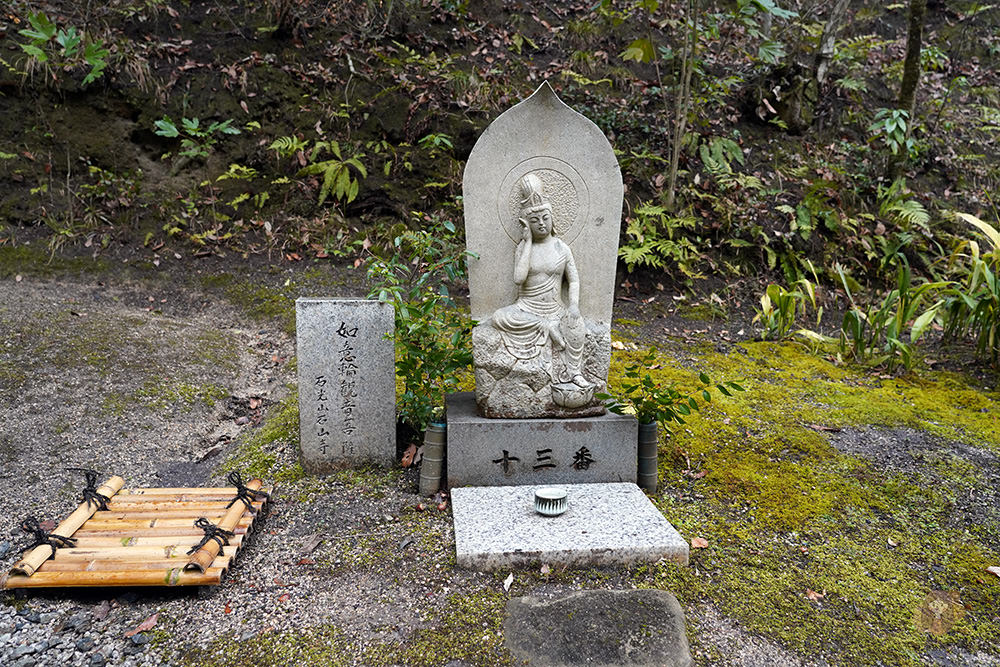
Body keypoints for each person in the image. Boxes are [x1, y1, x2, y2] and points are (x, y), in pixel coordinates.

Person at [490, 173, 590, 388]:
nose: (542, 224)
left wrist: (573, 305)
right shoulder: (523, 249)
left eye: (545, 218)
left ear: (553, 218)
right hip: (526, 308)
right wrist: (527, 241)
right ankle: (546, 327)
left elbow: (573, 281)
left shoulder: (561, 248)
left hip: (555, 307)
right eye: (535, 221)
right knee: (499, 317)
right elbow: (519, 279)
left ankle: (574, 372)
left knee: (576, 323)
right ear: (526, 223)